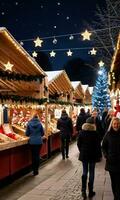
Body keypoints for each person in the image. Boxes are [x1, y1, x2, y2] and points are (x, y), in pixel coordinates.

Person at [77, 117, 102, 199]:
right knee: (91, 172)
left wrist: (82, 151)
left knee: (84, 171)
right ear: (93, 124)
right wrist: (99, 156)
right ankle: (90, 191)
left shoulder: (81, 132)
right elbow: (98, 146)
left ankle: (83, 190)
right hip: (93, 155)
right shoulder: (95, 133)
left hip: (84, 155)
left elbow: (78, 143)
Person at [102, 117, 120, 200]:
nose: (116, 125)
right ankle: (116, 197)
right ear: (112, 124)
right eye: (114, 124)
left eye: (118, 124)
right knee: (114, 181)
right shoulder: (108, 134)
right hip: (111, 162)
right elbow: (103, 147)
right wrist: (106, 155)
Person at [26, 111, 44, 176]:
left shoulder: (29, 124)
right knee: (37, 155)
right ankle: (36, 170)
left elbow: (27, 134)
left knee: (33, 156)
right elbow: (42, 133)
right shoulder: (40, 124)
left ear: (32, 117)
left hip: (32, 142)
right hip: (39, 142)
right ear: (37, 118)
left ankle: (34, 170)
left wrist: (31, 134)